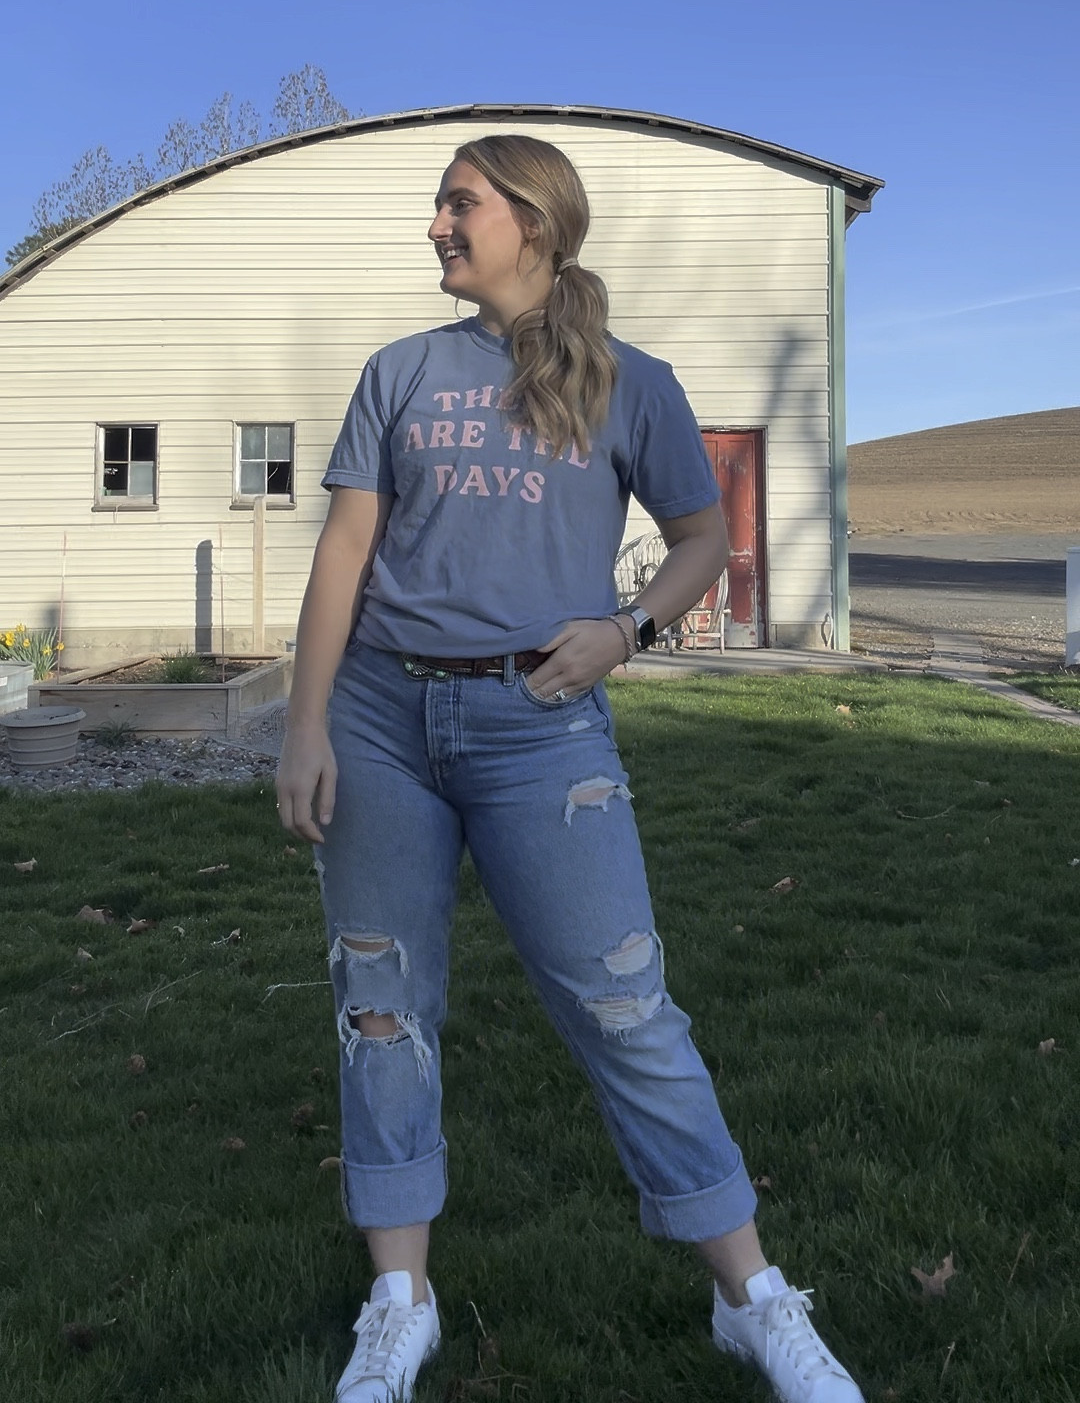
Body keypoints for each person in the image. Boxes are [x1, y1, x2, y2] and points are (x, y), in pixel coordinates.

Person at [276, 135, 865, 1403]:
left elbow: (703, 535)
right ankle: (400, 1301)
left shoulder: (631, 383)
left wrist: (629, 631)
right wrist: (305, 723)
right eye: (440, 203)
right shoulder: (401, 371)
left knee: (627, 1006)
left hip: (540, 726)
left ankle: (753, 1300)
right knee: (380, 1007)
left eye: (460, 203)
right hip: (382, 720)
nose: (436, 223)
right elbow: (342, 554)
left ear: (533, 221)